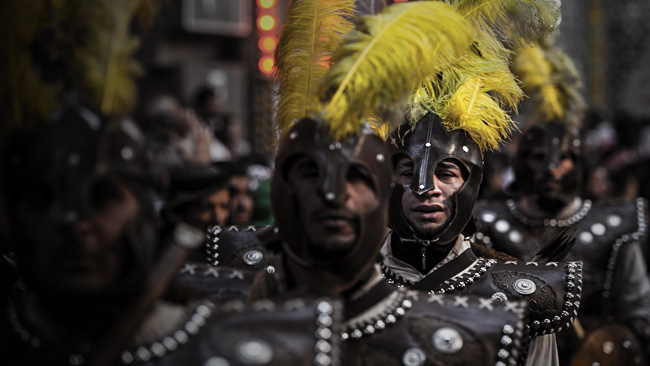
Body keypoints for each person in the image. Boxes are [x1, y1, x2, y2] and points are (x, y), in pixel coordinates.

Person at [473, 41, 650, 365]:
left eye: (566, 158)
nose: (553, 168)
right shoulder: (487, 222)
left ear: (580, 162)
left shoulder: (613, 228)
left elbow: (639, 315)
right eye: (540, 157)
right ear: (522, 162)